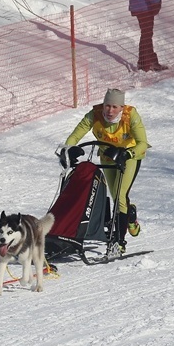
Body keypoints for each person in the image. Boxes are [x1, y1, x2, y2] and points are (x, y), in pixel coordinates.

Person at [58, 88, 148, 254]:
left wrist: (128, 153)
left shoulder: (131, 116)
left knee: (120, 195)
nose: (110, 111)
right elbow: (76, 134)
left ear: (122, 107)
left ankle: (119, 241)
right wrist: (68, 148)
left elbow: (142, 142)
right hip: (107, 158)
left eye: (114, 107)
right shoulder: (96, 113)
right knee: (115, 196)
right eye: (107, 106)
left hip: (129, 157)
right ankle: (130, 216)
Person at [127, 0, 167, 72]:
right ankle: (146, 64)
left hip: (136, 2)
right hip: (146, 4)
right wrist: (155, 3)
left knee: (146, 32)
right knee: (147, 33)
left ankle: (148, 61)